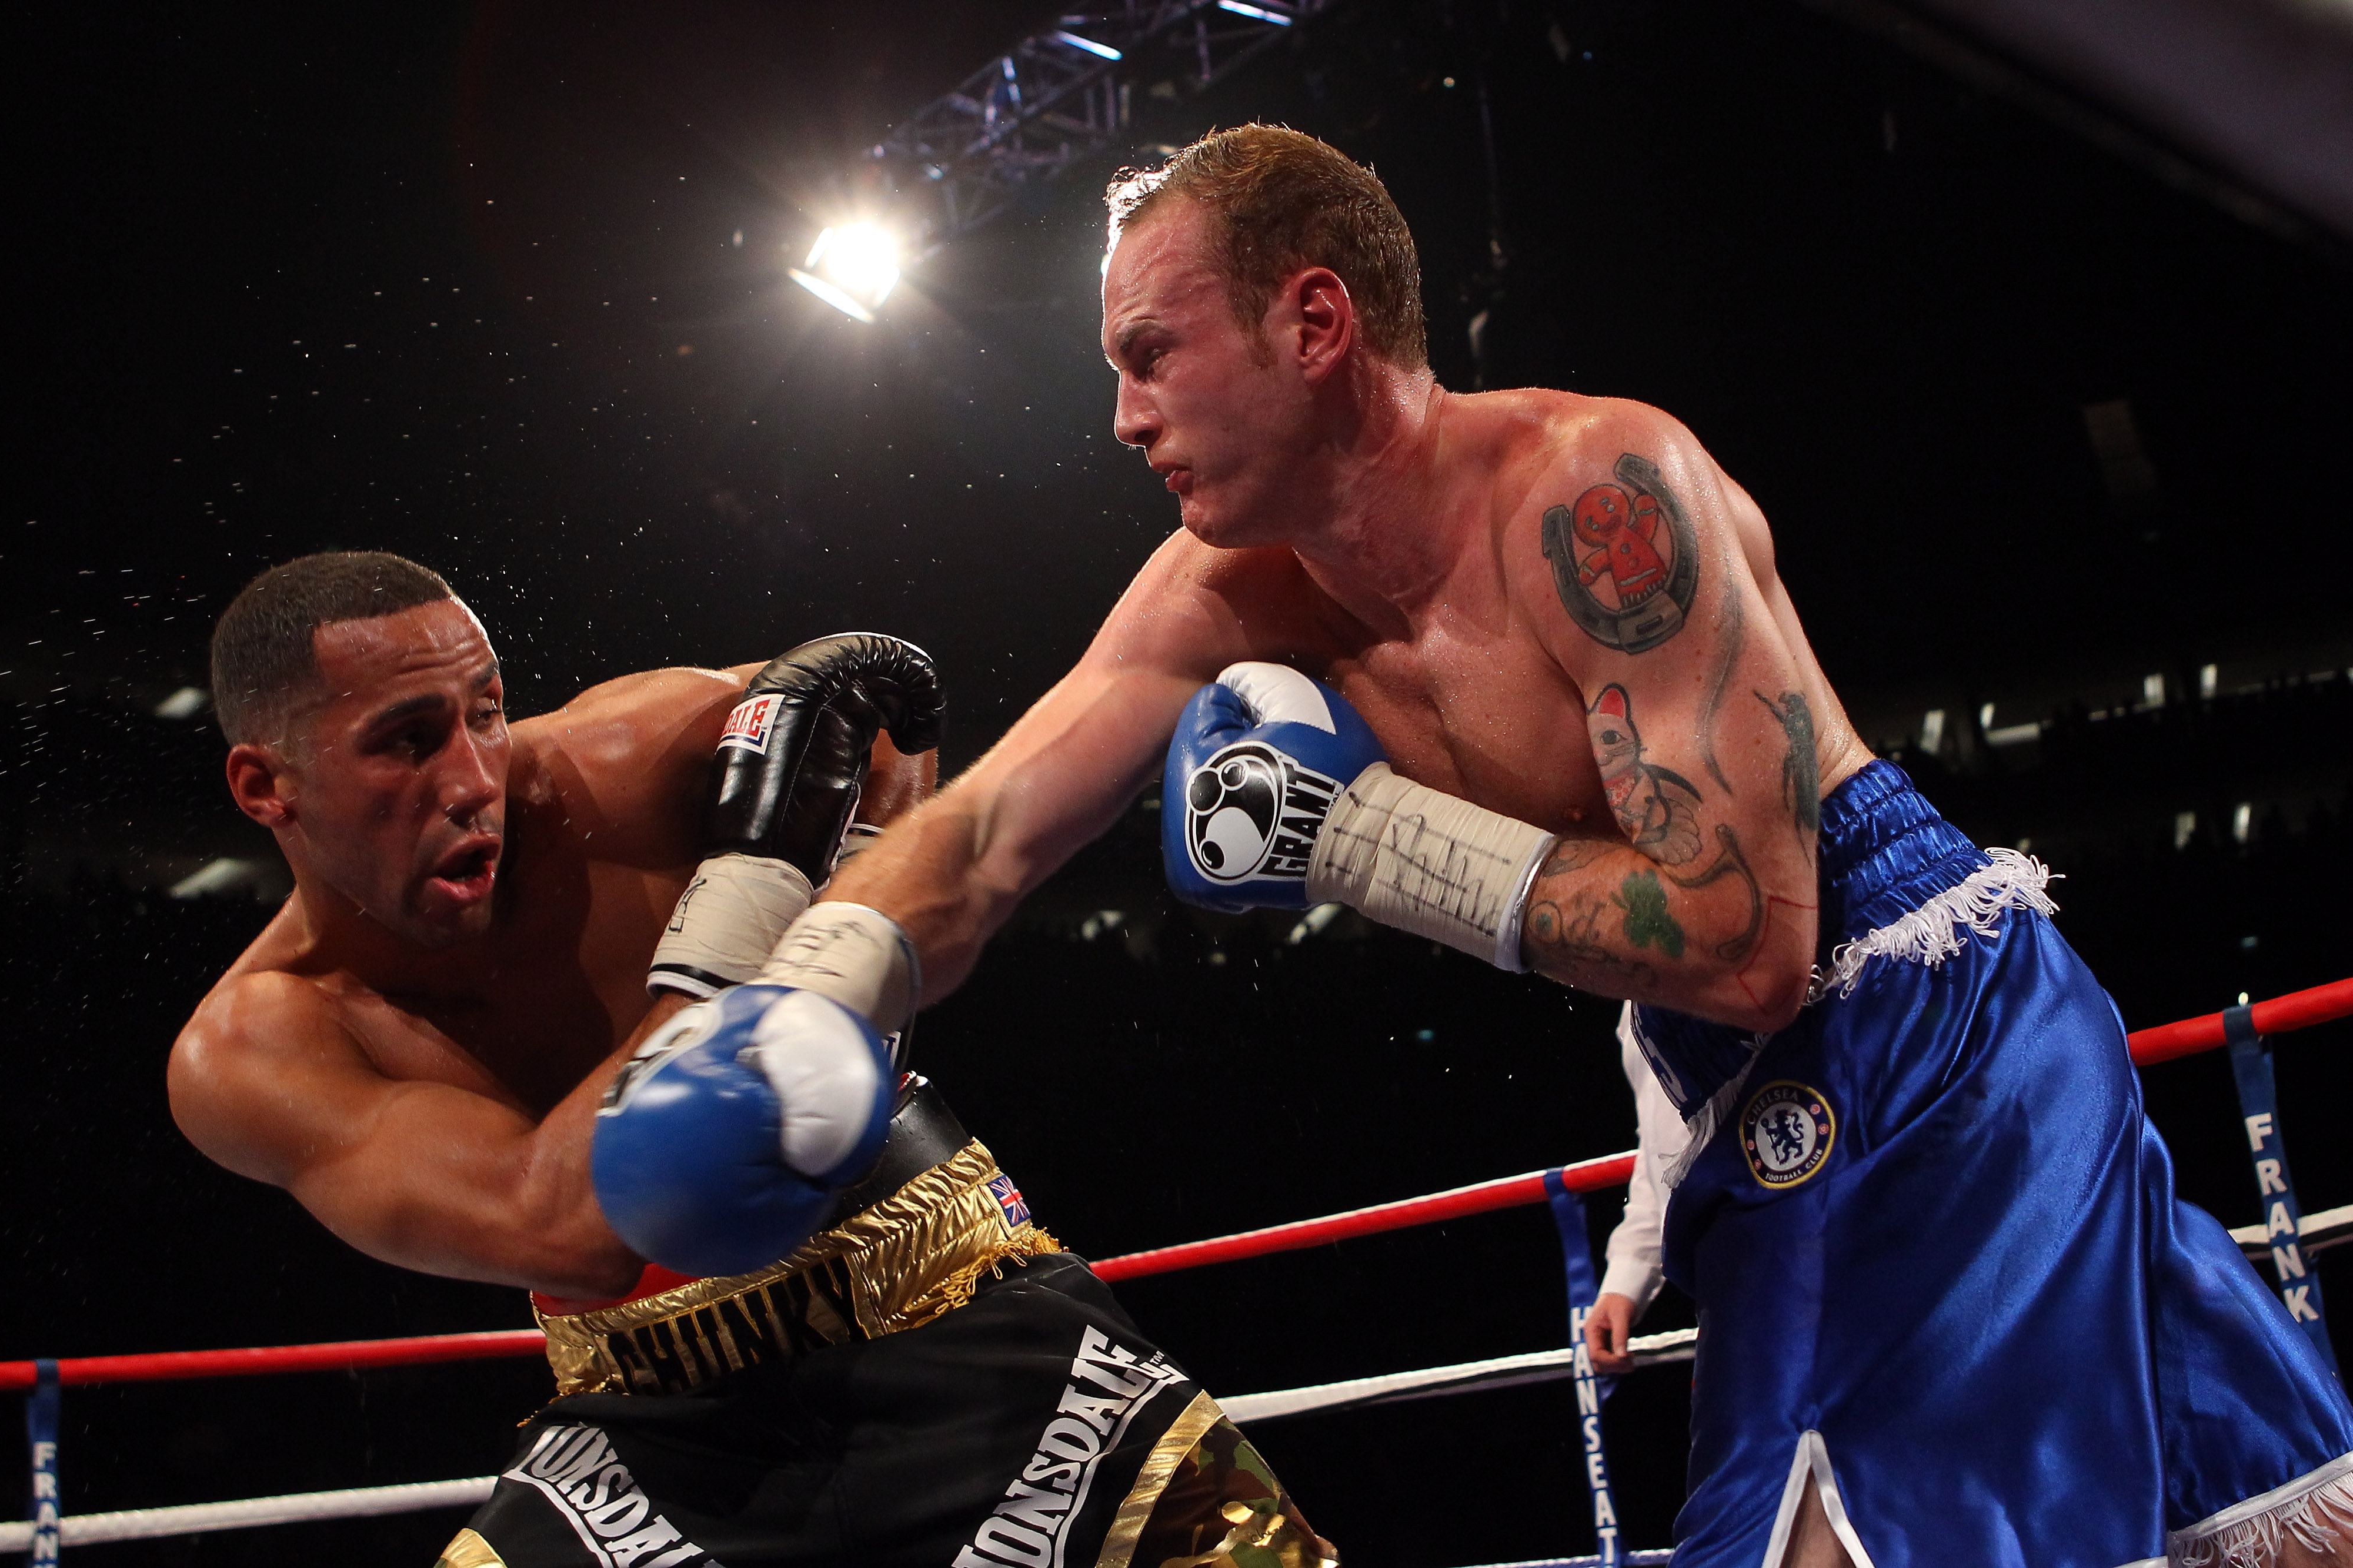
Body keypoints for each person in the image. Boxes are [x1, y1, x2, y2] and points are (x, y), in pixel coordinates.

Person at [702, 127, 2353, 1567]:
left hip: (1915, 1026)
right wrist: (798, 994)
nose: (1121, 415)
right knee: (2282, 1526)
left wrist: (1354, 834)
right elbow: (987, 833)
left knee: (1816, 1531)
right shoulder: (1222, 591)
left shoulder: (1594, 497)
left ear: (1313, 322)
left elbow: (1747, 937)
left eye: (1150, 353)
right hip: (1746, 1077)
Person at [169, 551, 1333, 1568]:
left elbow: (880, 707)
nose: (473, 776)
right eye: (406, 742)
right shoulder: (260, 1045)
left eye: (484, 711)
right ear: (266, 784)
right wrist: (749, 895)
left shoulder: (616, 764)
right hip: (659, 1418)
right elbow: (563, 1226)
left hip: (938, 1292)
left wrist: (846, 985)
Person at [1581, 1008, 1689, 1379]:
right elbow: (1663, 1147)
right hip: (1720, 1291)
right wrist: (1629, 1274)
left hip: (1814, 1264)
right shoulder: (1635, 1006)